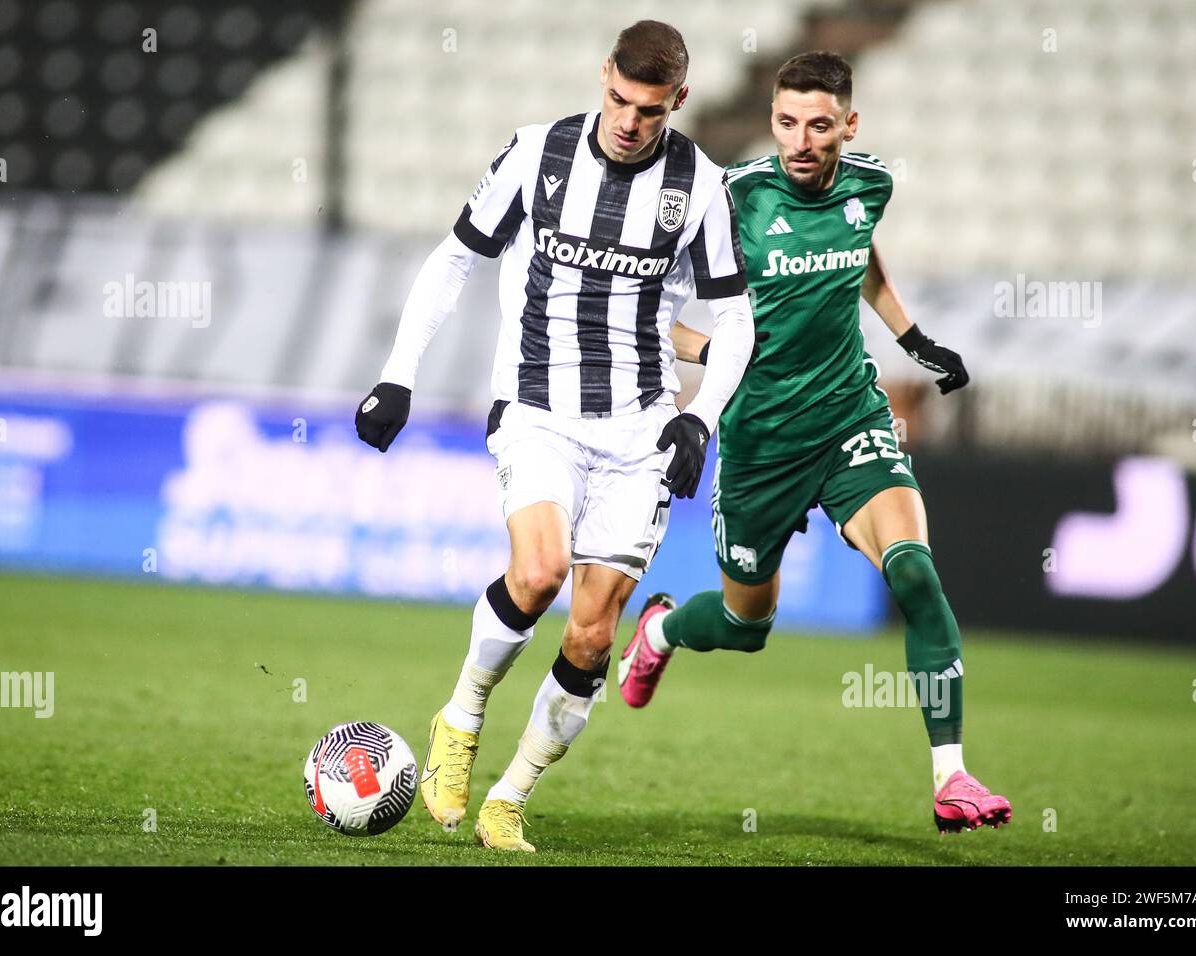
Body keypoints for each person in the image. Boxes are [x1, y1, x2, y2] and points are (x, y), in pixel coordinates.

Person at [355, 20, 755, 851]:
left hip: (640, 428)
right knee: (536, 576)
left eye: (650, 109)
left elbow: (736, 319)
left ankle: (512, 793)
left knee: (594, 630)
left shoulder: (704, 186)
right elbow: (456, 257)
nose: (629, 120)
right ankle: (461, 716)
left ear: (677, 101)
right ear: (602, 74)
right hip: (536, 408)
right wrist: (399, 373)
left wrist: (698, 418)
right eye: (618, 98)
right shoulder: (536, 153)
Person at [617, 51, 1011, 834]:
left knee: (916, 576)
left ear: (849, 126)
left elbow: (858, 259)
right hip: (760, 444)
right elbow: (658, 310)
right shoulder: (731, 201)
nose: (800, 140)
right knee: (744, 626)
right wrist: (722, 356)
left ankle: (953, 775)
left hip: (848, 419)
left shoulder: (871, 185)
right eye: (787, 123)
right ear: (772, 120)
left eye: (819, 125)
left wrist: (914, 336)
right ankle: (659, 630)